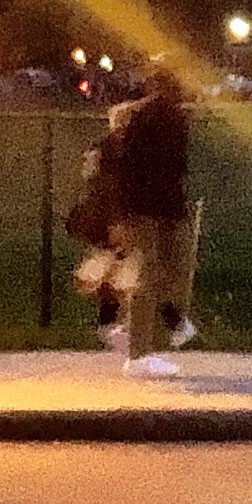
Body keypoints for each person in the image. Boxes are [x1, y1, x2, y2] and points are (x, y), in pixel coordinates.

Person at [100, 65, 195, 378]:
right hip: (154, 206)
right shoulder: (166, 118)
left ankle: (137, 332)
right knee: (152, 271)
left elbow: (129, 168)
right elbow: (163, 168)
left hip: (150, 205)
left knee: (157, 270)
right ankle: (139, 353)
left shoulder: (148, 116)